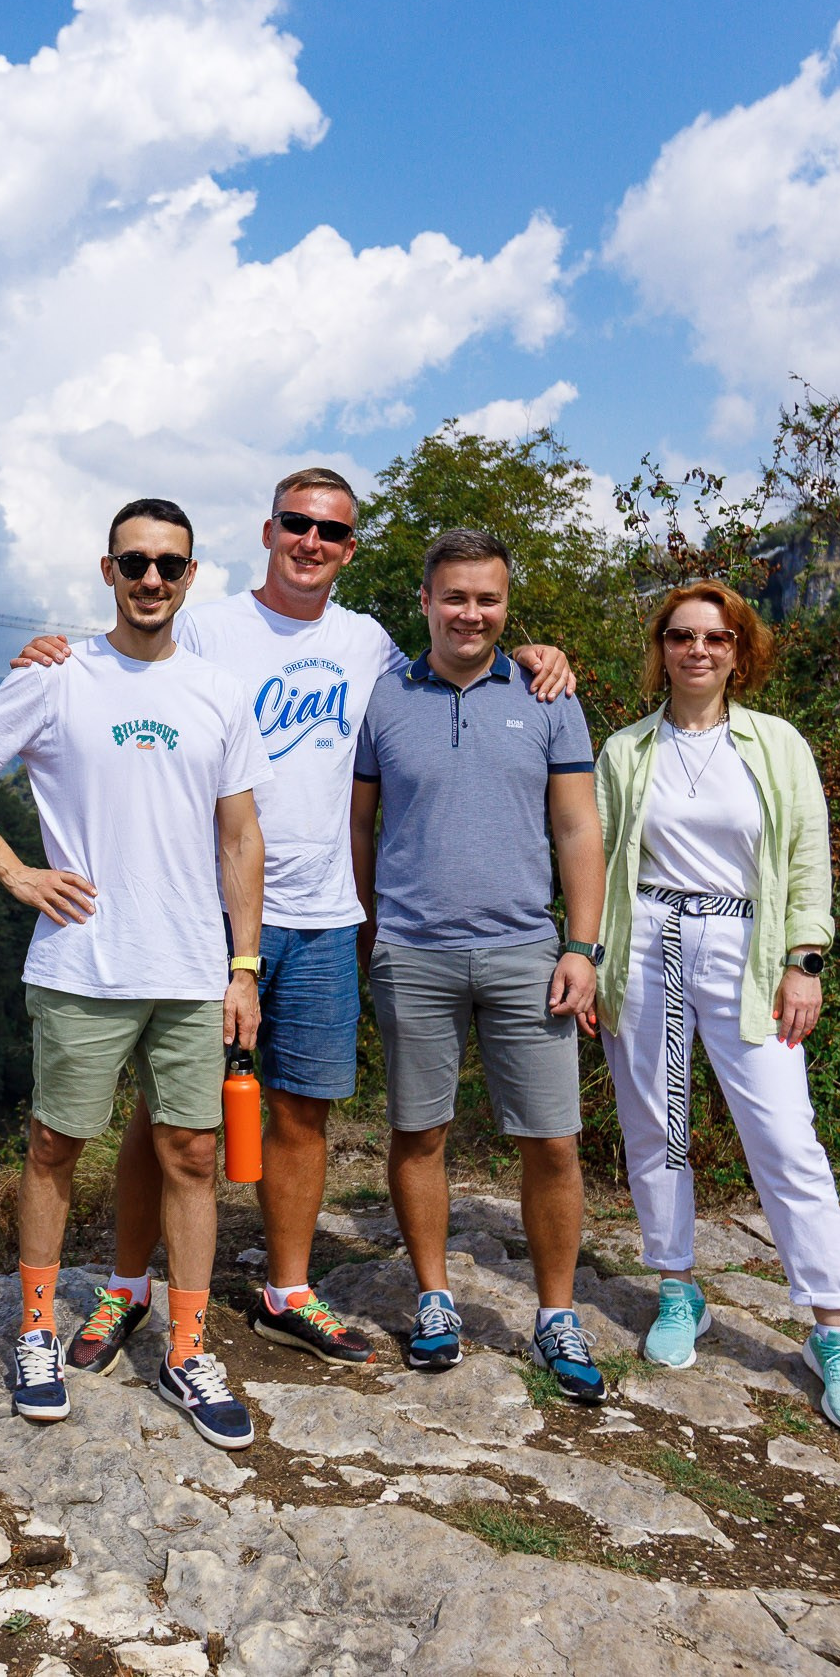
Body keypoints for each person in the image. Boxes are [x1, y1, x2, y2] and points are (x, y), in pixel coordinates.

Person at [7, 469, 575, 1378]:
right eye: (297, 525)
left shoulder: (370, 644)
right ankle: (127, 1284)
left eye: (333, 533)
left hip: (321, 910)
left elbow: (452, 666)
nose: (312, 543)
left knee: (303, 1108)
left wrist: (536, 654)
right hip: (206, 905)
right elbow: (130, 646)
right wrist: (56, 651)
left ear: (352, 549)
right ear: (267, 530)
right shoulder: (208, 623)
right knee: (169, 1115)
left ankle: (288, 1290)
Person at [0, 497, 268, 1451]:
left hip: (191, 965)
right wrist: (15, 872)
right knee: (54, 1147)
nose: (152, 579)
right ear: (107, 570)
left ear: (192, 576)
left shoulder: (217, 692)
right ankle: (34, 1331)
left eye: (169, 564)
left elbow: (240, 834)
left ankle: (188, 1349)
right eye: (135, 562)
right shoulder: (59, 675)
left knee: (192, 1155)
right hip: (82, 960)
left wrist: (244, 965)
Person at [594, 582, 840, 1433]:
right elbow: (597, 860)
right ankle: (678, 1289)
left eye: (716, 638)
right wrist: (590, 959)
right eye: (681, 635)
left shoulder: (777, 745)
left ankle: (834, 1327)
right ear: (661, 646)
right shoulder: (626, 750)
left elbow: (806, 858)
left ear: (738, 651)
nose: (697, 650)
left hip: (747, 951)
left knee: (786, 1136)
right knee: (656, 1125)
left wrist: (806, 960)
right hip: (647, 942)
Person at [351, 527, 608, 1397]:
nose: (470, 612)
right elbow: (360, 822)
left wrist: (583, 945)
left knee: (555, 1141)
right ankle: (434, 1297)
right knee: (418, 1131)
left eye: (487, 598)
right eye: (454, 596)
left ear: (507, 605)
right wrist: (367, 925)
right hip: (413, 949)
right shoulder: (381, 697)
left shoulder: (546, 694)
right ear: (424, 601)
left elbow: (577, 827)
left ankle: (557, 1314)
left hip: (526, 949)